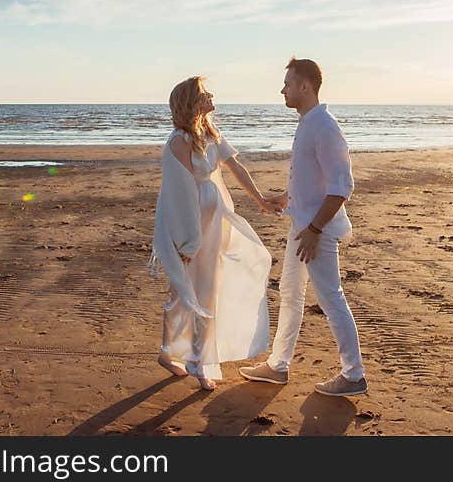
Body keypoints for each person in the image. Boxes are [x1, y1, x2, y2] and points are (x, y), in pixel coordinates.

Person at [239, 58, 367, 397]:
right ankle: (278, 365)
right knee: (290, 294)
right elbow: (316, 182)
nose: (283, 89)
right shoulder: (308, 123)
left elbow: (342, 186)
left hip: (316, 232)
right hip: (303, 225)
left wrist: (314, 230)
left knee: (330, 297)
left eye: (288, 83)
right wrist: (285, 199)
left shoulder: (324, 126)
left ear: (305, 86)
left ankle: (353, 373)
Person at [150, 76, 275, 390]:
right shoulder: (179, 140)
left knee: (208, 289)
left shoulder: (211, 133)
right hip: (189, 221)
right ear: (192, 101)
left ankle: (201, 360)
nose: (212, 96)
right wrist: (189, 239)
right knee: (182, 289)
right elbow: (180, 193)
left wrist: (260, 200)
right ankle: (171, 352)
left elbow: (237, 168)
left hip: (215, 218)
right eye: (205, 93)